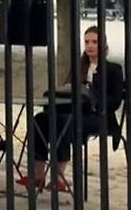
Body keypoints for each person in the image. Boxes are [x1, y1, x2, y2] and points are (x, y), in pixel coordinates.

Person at [17, 26, 124, 192]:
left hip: (97, 116)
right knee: (40, 119)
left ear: (103, 44)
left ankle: (59, 177)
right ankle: (37, 175)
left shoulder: (113, 69)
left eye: (94, 42)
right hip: (73, 111)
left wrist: (93, 98)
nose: (90, 46)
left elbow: (115, 101)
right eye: (87, 42)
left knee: (63, 121)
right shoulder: (79, 67)